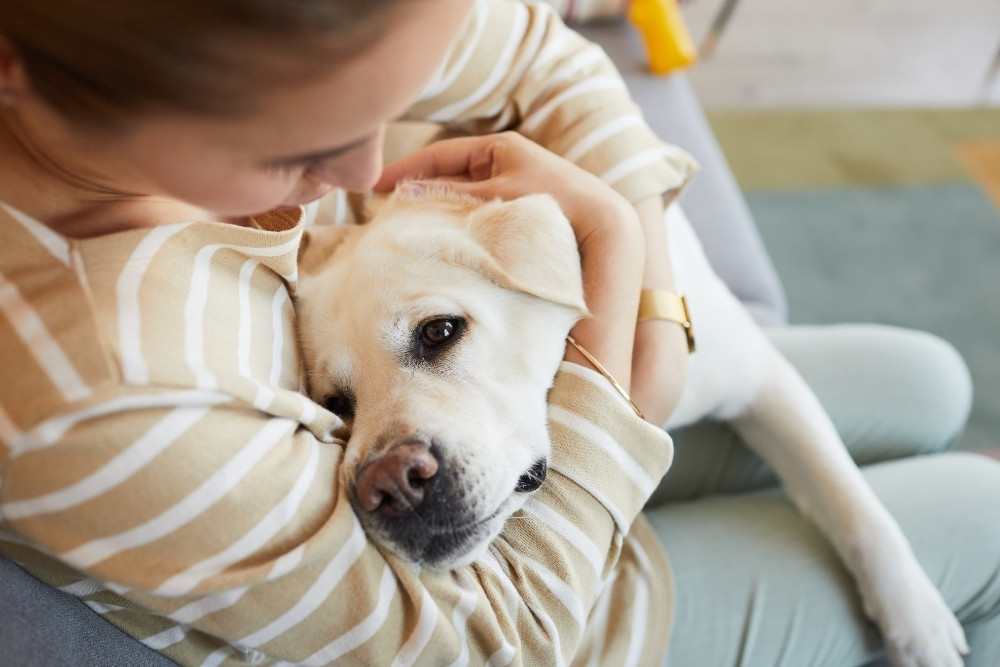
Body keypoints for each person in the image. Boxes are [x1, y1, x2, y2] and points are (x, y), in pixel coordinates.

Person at [0, 2, 998, 667]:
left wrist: (634, 243)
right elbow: (496, 639)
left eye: (388, 106)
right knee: (983, 512)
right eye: (289, 145)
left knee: (927, 382)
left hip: (526, 462)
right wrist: (614, 300)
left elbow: (539, 53)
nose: (364, 172)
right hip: (534, 618)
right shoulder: (91, 387)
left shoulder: (336, 23)